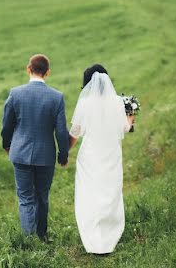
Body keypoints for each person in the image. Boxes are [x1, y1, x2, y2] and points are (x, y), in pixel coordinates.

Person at [1, 54, 69, 242]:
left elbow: (6, 125)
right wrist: (63, 155)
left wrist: (7, 145)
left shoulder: (15, 93)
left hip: (20, 153)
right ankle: (42, 236)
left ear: (28, 69)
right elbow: (62, 131)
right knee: (42, 196)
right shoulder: (57, 97)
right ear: (48, 72)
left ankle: (29, 240)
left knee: (25, 198)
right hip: (45, 156)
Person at [68, 64, 134, 254]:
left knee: (90, 193)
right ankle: (109, 236)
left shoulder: (85, 103)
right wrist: (131, 116)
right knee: (110, 192)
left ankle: (93, 237)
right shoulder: (119, 102)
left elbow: (75, 133)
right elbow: (126, 128)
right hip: (111, 153)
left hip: (90, 155)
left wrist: (63, 152)